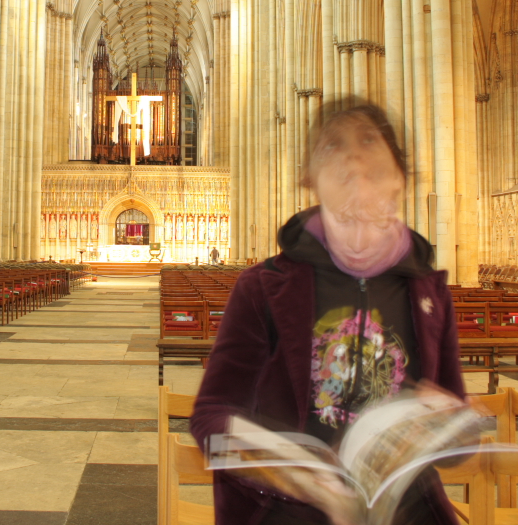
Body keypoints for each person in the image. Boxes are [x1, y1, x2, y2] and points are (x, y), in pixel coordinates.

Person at [190, 101, 465, 525]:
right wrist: (292, 471)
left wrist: (453, 424)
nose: (353, 158)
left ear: (399, 177)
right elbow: (209, 419)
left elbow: (453, 447)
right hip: (288, 515)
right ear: (311, 178)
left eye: (369, 141)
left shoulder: (429, 292)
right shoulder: (263, 287)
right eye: (333, 145)